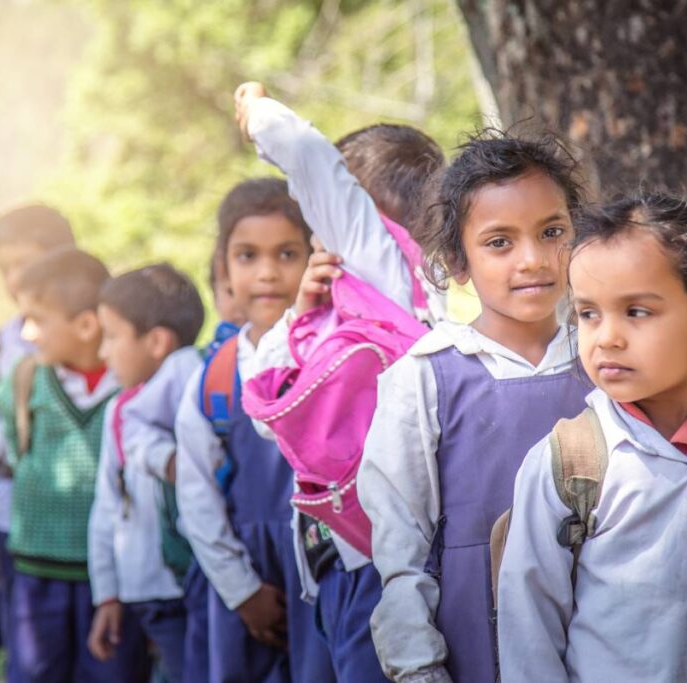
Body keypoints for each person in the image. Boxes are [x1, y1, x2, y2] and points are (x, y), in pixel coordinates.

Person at [358, 131, 594, 682]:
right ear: (456, 261)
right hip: (477, 635)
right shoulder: (426, 376)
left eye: (552, 232)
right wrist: (418, 665)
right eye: (499, 242)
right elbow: (402, 548)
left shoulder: (607, 362)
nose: (533, 259)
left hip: (605, 629)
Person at [496, 193, 687, 682]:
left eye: (636, 312)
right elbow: (528, 631)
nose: (607, 338)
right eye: (588, 314)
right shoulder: (571, 461)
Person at [234, 81, 446, 681]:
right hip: (346, 567)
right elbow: (271, 416)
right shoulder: (382, 304)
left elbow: (310, 160)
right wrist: (301, 314)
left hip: (366, 569)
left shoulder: (378, 263)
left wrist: (259, 113)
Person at [174, 178, 334, 682]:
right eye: (247, 256)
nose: (267, 273)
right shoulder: (213, 377)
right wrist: (241, 590)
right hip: (242, 571)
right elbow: (196, 495)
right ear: (224, 266)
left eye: (287, 254)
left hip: (327, 566)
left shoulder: (337, 359)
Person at [0, 247, 144, 682]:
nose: (28, 332)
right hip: (36, 574)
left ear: (85, 325)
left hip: (113, 579)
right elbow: (13, 449)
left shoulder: (132, 387)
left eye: (37, 319)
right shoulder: (23, 384)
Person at [0, 203, 75, 679]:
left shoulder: (99, 335)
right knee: (33, 655)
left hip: (87, 522)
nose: (14, 278)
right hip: (14, 520)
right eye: (5, 267)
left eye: (25, 263)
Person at [125, 252, 245, 682]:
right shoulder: (192, 366)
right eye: (230, 288)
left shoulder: (300, 357)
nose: (252, 290)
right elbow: (133, 422)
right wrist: (170, 460)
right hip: (203, 555)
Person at [88, 263, 206, 682]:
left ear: (156, 341)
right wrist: (107, 594)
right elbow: (106, 506)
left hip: (190, 588)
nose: (103, 352)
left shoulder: (194, 384)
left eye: (112, 337)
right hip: (144, 592)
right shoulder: (118, 410)